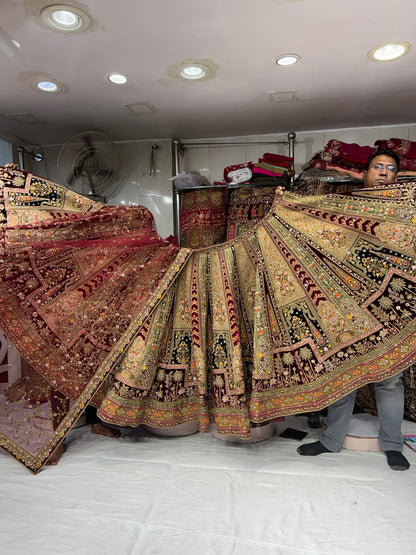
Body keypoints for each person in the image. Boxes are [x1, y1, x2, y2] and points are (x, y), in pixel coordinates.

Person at [297, 148, 410, 471]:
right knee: (343, 374)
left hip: (393, 306)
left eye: (390, 168)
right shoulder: (349, 207)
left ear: (396, 176)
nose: (384, 172)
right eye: (378, 167)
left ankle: (392, 445)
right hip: (348, 303)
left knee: (389, 380)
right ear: (365, 173)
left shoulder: (405, 208)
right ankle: (331, 440)